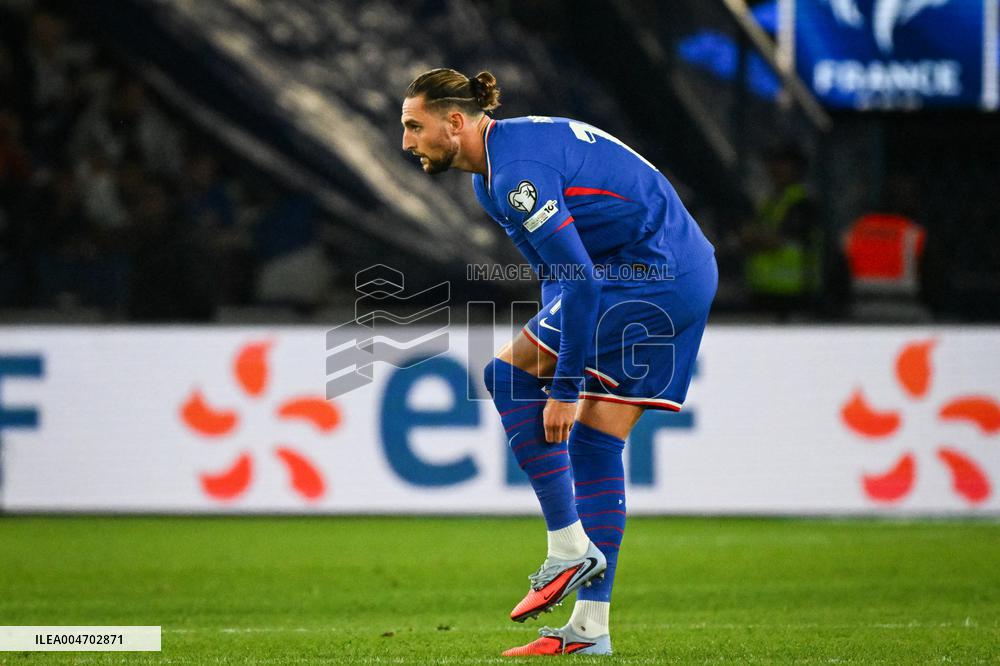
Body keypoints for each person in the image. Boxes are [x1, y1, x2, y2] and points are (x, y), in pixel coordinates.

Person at [401, 68, 717, 656]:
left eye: (414, 126)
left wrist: (566, 385)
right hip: (681, 266)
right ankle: (591, 629)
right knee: (597, 443)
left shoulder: (518, 175)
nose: (406, 141)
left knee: (506, 373)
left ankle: (569, 546)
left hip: (653, 274)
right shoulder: (492, 174)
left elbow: (584, 285)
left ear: (454, 122)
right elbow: (555, 276)